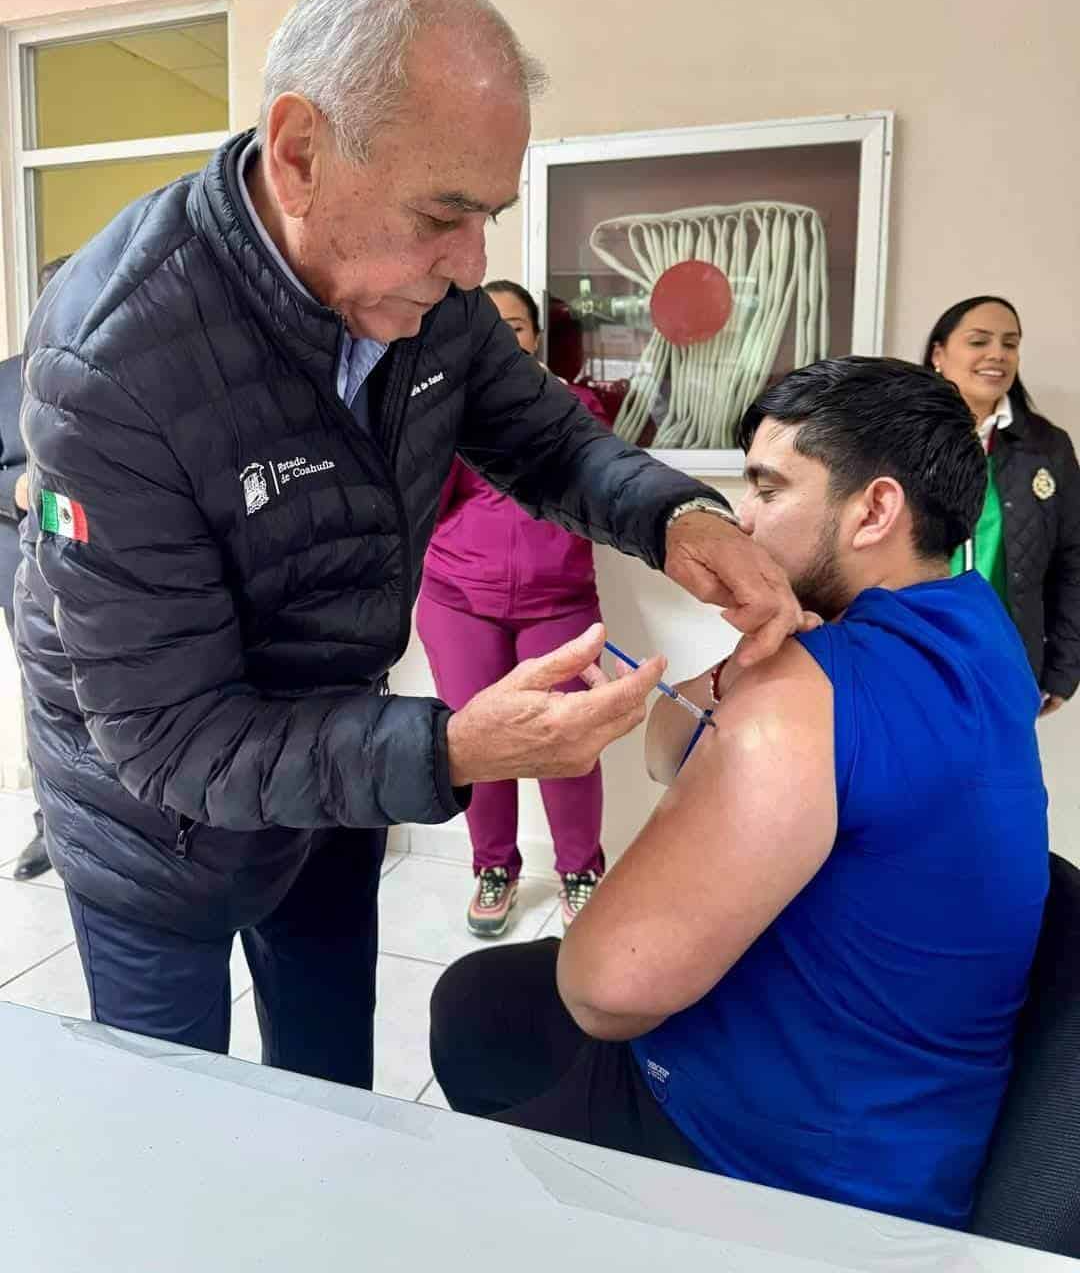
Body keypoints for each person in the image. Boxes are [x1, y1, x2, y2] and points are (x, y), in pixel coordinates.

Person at [16, 0, 807, 1087]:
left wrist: (678, 519)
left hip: (330, 792)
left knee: (334, 1097)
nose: (473, 265)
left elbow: (547, 438)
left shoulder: (424, 299)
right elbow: (173, 739)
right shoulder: (116, 360)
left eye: (489, 216)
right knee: (170, 1131)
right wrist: (451, 750)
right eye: (445, 215)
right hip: (154, 839)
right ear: (299, 153)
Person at [430, 357, 1049, 1231]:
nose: (739, 522)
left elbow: (603, 988)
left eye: (766, 488)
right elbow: (662, 748)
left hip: (789, 1171)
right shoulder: (980, 629)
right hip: (915, 1109)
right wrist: (739, 680)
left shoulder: (814, 684)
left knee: (458, 1177)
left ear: (874, 509)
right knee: (476, 997)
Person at [418, 280, 610, 935]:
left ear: (535, 336)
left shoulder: (578, 405)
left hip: (557, 603)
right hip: (458, 600)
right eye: (489, 326)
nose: (505, 337)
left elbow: (597, 494)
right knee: (477, 740)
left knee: (567, 739)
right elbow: (425, 505)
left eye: (518, 326)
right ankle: (492, 866)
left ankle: (581, 869)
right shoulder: (446, 409)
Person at [925, 295, 1080, 716]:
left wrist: (1064, 668)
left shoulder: (1047, 447)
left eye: (1010, 344)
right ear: (939, 353)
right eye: (979, 341)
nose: (997, 354)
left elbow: (1072, 562)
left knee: (998, 781)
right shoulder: (900, 439)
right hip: (912, 652)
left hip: (1007, 661)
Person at [4, 256, 69, 881]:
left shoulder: (139, 371)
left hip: (125, 583)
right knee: (42, 705)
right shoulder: (5, 382)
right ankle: (50, 832)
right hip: (26, 578)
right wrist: (24, 492)